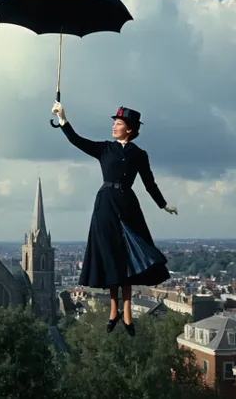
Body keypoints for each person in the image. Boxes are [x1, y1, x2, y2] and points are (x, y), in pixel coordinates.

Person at [51, 101, 178, 337]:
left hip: (128, 207)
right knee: (110, 258)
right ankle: (113, 310)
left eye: (118, 123)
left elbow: (149, 183)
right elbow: (77, 140)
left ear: (129, 129)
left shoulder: (139, 154)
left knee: (128, 260)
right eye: (114, 123)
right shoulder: (105, 149)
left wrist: (163, 204)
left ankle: (127, 312)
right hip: (105, 207)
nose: (114, 126)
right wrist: (63, 118)